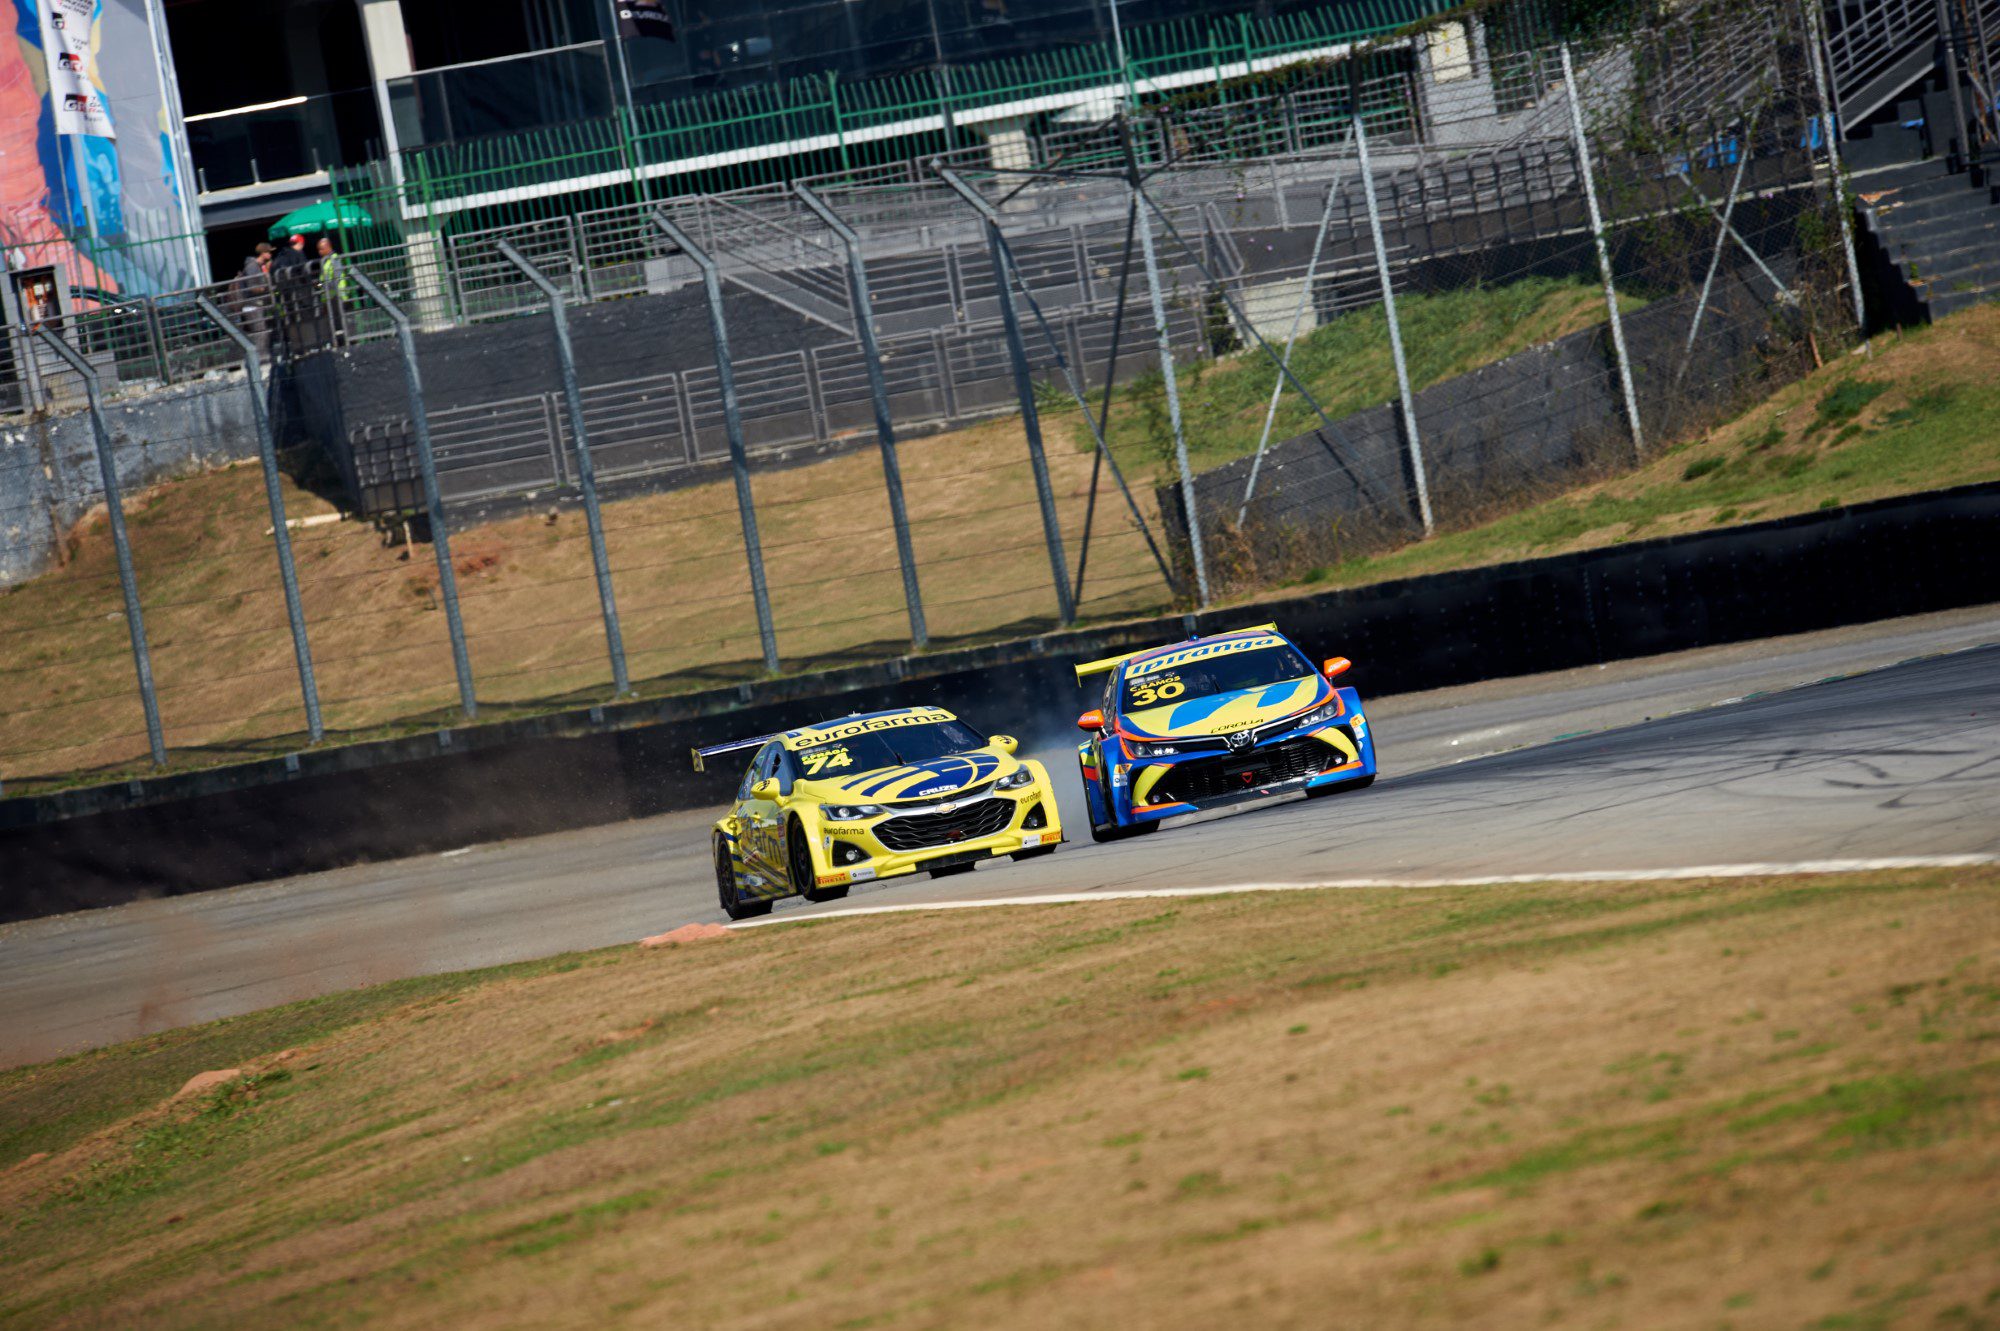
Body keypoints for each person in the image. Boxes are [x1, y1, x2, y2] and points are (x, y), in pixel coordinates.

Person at [231, 242, 274, 362]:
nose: (270, 254)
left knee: (261, 332)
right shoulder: (252, 266)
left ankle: (261, 357)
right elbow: (252, 287)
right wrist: (265, 287)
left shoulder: (257, 266)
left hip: (254, 304)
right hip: (252, 304)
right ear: (263, 253)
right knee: (260, 332)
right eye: (269, 252)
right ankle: (260, 358)